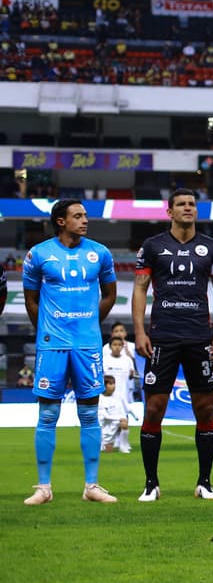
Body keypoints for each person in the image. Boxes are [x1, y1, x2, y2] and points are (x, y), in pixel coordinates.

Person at [132, 188, 213, 502]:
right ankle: (151, 483)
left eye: (192, 204)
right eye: (181, 204)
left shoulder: (212, 247)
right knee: (154, 408)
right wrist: (140, 331)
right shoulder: (152, 246)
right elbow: (140, 289)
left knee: (205, 408)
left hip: (200, 336)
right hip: (162, 336)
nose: (188, 208)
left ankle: (205, 482)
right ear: (169, 211)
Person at [21, 199, 119, 504]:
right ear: (61, 221)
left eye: (85, 215)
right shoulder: (38, 254)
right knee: (48, 414)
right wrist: (47, 331)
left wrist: (89, 324)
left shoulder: (100, 253)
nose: (85, 220)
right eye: (78, 216)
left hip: (87, 345)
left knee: (89, 414)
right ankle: (43, 487)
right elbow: (31, 300)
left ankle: (92, 486)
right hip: (52, 344)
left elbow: (110, 295)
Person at [102, 334, 134, 453]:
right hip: (108, 397)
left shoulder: (127, 360)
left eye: (120, 345)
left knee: (123, 421)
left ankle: (123, 444)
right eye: (114, 345)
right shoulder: (105, 360)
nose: (117, 347)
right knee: (107, 421)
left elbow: (131, 375)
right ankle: (106, 442)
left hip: (123, 395)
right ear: (110, 346)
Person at [99, 375, 128, 452]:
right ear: (104, 386)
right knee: (107, 451)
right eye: (111, 384)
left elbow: (122, 412)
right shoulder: (99, 398)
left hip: (114, 424)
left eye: (114, 383)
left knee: (124, 423)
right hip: (104, 427)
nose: (113, 386)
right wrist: (117, 418)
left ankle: (124, 446)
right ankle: (101, 443)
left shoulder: (118, 397)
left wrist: (122, 418)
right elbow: (102, 416)